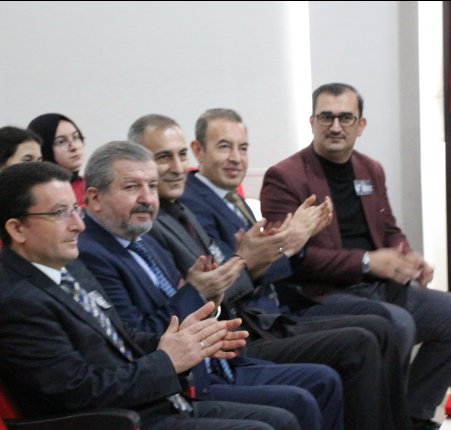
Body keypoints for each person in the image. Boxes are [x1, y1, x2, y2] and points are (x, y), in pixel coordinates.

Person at [133, 114, 412, 430]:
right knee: (363, 339)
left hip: (263, 316)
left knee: (379, 328)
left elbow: (233, 270)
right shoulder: (172, 211)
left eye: (242, 148)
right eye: (224, 147)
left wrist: (276, 247)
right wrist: (279, 248)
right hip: (243, 330)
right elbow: (221, 284)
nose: (176, 167)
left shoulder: (187, 207)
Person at [0, 160, 301, 430]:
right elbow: (78, 393)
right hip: (120, 420)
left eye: (75, 209)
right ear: (17, 229)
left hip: (153, 404)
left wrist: (186, 340)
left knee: (283, 418)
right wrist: (167, 361)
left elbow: (121, 337)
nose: (78, 225)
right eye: (60, 213)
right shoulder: (17, 303)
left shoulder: (66, 266)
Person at [77, 140, 344, 430]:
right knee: (295, 405)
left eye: (152, 186)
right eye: (132, 187)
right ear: (95, 198)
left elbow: (187, 302)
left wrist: (211, 300)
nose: (147, 198)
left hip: (215, 361)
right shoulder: (91, 254)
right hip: (179, 386)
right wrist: (200, 291)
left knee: (323, 381)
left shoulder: (144, 240)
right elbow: (135, 339)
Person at [259, 82, 451, 430]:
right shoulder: (285, 177)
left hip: (378, 288)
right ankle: (384, 422)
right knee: (397, 324)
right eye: (326, 117)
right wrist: (366, 262)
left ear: (360, 125)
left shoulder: (370, 169)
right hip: (317, 296)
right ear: (312, 122)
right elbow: (290, 260)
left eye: (346, 118)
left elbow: (388, 229)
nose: (336, 126)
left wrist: (406, 255)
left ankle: (412, 415)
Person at [28, 113, 86, 205]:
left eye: (75, 137)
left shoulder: (92, 185)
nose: (74, 147)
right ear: (44, 149)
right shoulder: (38, 195)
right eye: (60, 142)